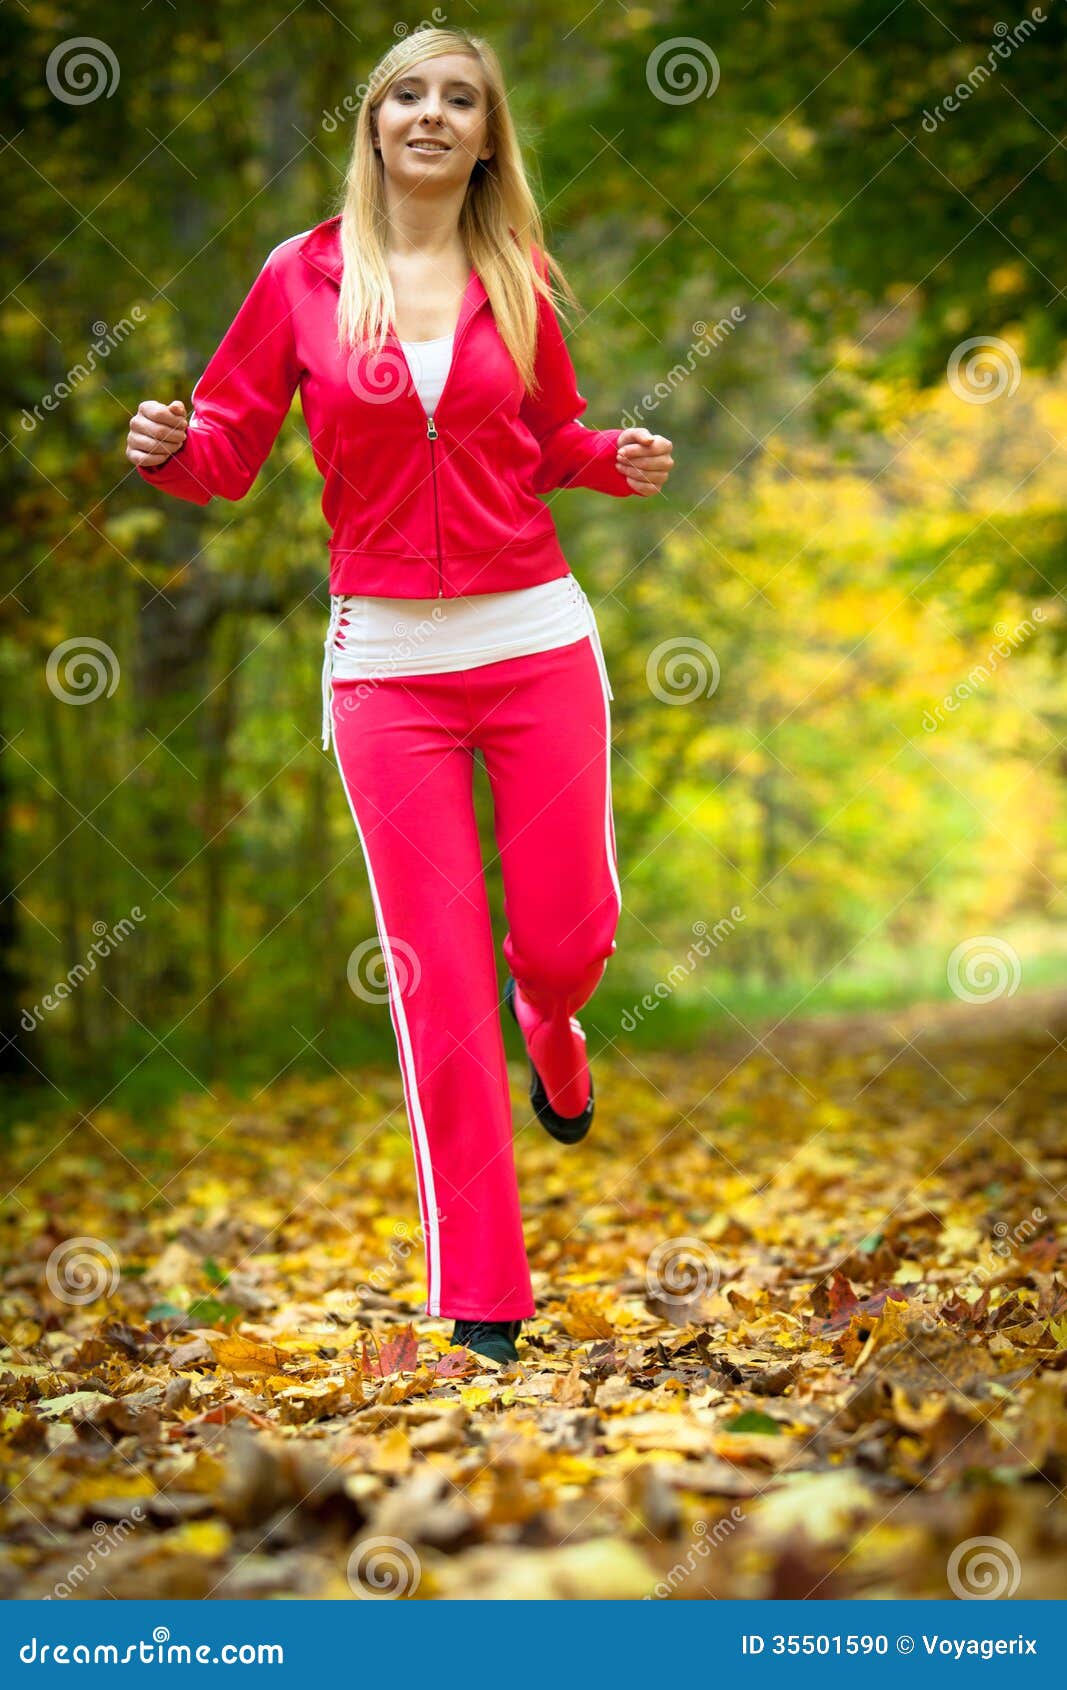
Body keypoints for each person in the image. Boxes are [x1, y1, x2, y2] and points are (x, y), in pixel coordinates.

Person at [125, 27, 674, 1367]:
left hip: (538, 644)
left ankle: (553, 1019)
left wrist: (612, 457)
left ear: (488, 138)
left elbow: (547, 439)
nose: (431, 115)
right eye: (407, 95)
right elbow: (229, 449)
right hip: (387, 671)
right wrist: (168, 451)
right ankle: (480, 1292)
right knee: (434, 979)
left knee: (562, 940)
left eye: (460, 99)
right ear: (372, 124)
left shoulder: (517, 271)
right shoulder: (298, 277)